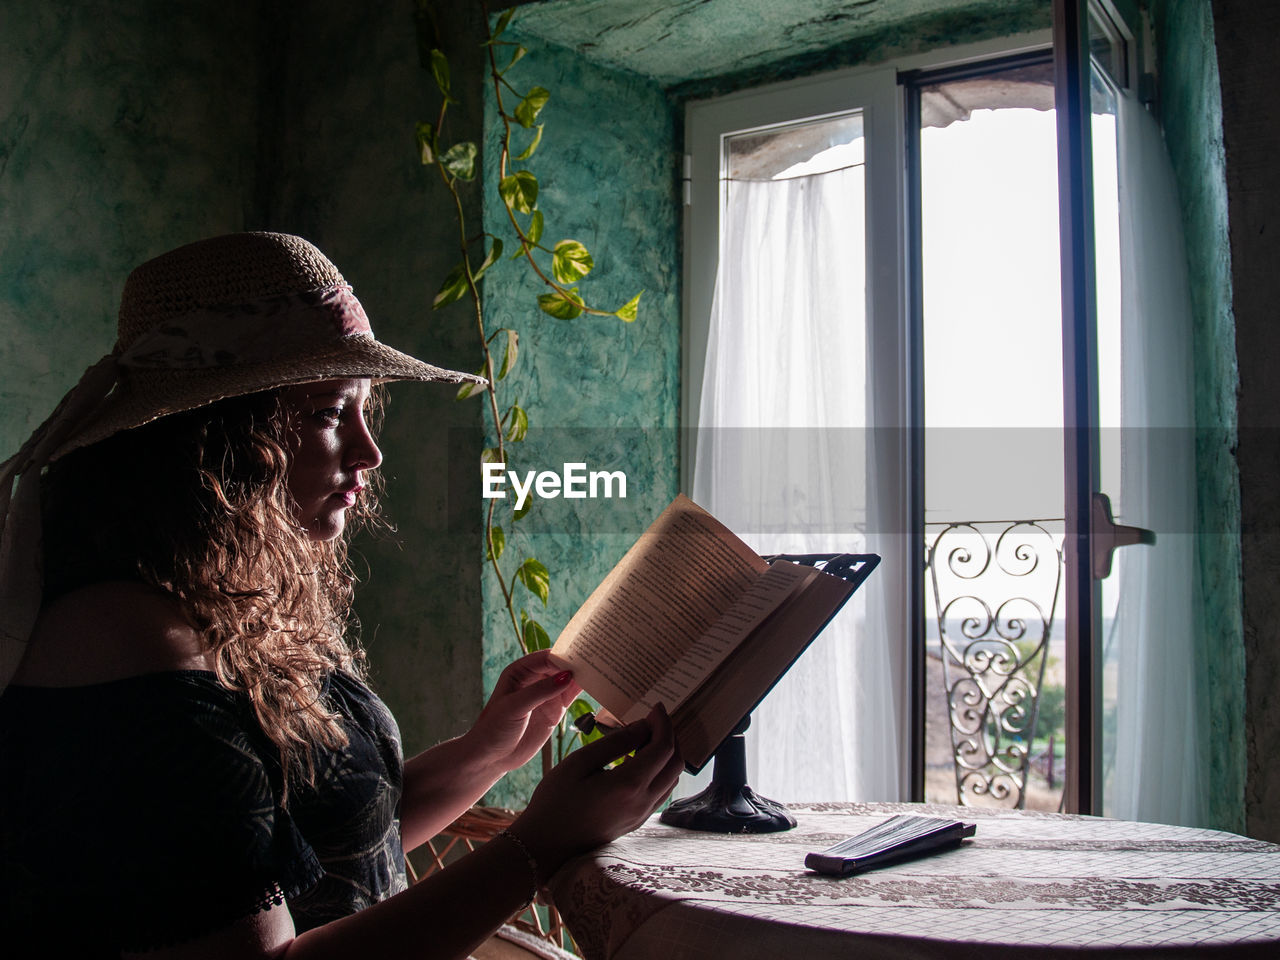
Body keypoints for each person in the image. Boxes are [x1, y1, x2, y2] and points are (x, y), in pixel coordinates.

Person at [0, 232, 683, 959]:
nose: (369, 451)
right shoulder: (129, 653)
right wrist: (540, 845)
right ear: (214, 440)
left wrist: (489, 752)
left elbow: (330, 846)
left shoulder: (213, 598)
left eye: (362, 408)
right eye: (329, 413)